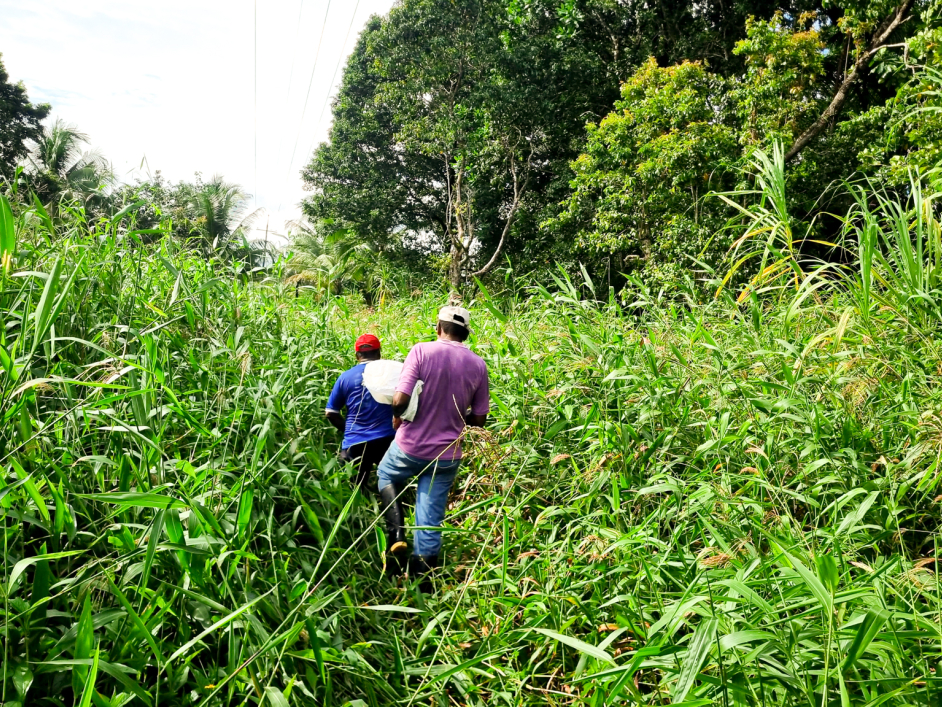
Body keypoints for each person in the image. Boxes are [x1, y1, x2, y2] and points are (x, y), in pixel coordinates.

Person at [376, 305, 489, 586]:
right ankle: (423, 581)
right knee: (431, 512)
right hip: (448, 453)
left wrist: (396, 416)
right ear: (465, 333)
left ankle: (397, 535)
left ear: (439, 328)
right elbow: (479, 419)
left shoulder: (421, 350)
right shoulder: (478, 364)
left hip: (410, 445)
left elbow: (400, 400)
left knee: (386, 475)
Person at [325, 334, 396, 491]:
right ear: (379, 353)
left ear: (357, 355)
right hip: (387, 440)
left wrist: (350, 429)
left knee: (355, 491)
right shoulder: (391, 374)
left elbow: (331, 412)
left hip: (355, 442)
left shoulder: (345, 377)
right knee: (391, 484)